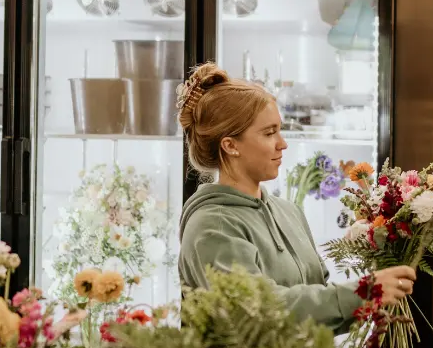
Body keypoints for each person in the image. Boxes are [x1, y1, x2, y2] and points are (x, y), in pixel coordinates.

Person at [177, 62, 416, 332]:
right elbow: (254, 311)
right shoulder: (213, 225)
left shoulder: (288, 212)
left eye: (280, 129)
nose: (283, 143)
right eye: (269, 133)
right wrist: (362, 293)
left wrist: (368, 307)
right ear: (230, 145)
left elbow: (316, 306)